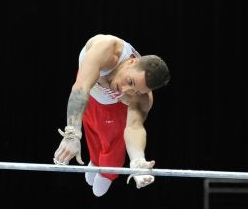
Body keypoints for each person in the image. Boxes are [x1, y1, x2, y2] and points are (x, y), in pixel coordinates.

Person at [53, 34, 170, 197]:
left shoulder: (142, 97)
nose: (124, 91)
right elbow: (81, 88)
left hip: (111, 107)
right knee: (88, 128)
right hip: (88, 89)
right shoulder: (106, 49)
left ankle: (106, 169)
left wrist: (137, 160)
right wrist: (72, 133)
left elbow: (134, 126)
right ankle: (94, 160)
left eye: (135, 91)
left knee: (113, 141)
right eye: (130, 82)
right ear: (131, 61)